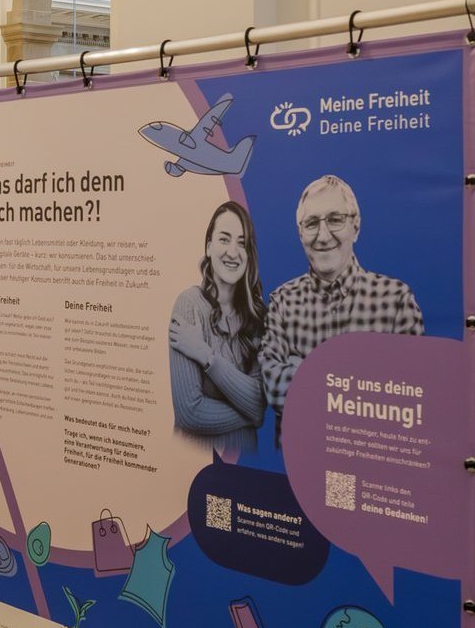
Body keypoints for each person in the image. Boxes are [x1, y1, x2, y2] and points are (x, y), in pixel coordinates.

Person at [260, 175, 423, 418]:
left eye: (335, 220)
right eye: (311, 223)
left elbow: (407, 395)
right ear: (300, 233)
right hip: (300, 444)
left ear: (355, 227)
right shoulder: (282, 302)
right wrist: (366, 379)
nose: (323, 236)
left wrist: (301, 369)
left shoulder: (396, 300)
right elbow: (273, 389)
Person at [169, 201, 267, 454]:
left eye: (242, 243)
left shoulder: (256, 317)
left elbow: (258, 404)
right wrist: (250, 412)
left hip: (246, 463)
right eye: (224, 239)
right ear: (209, 246)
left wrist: (205, 355)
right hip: (196, 462)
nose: (233, 252)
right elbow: (190, 413)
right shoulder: (189, 305)